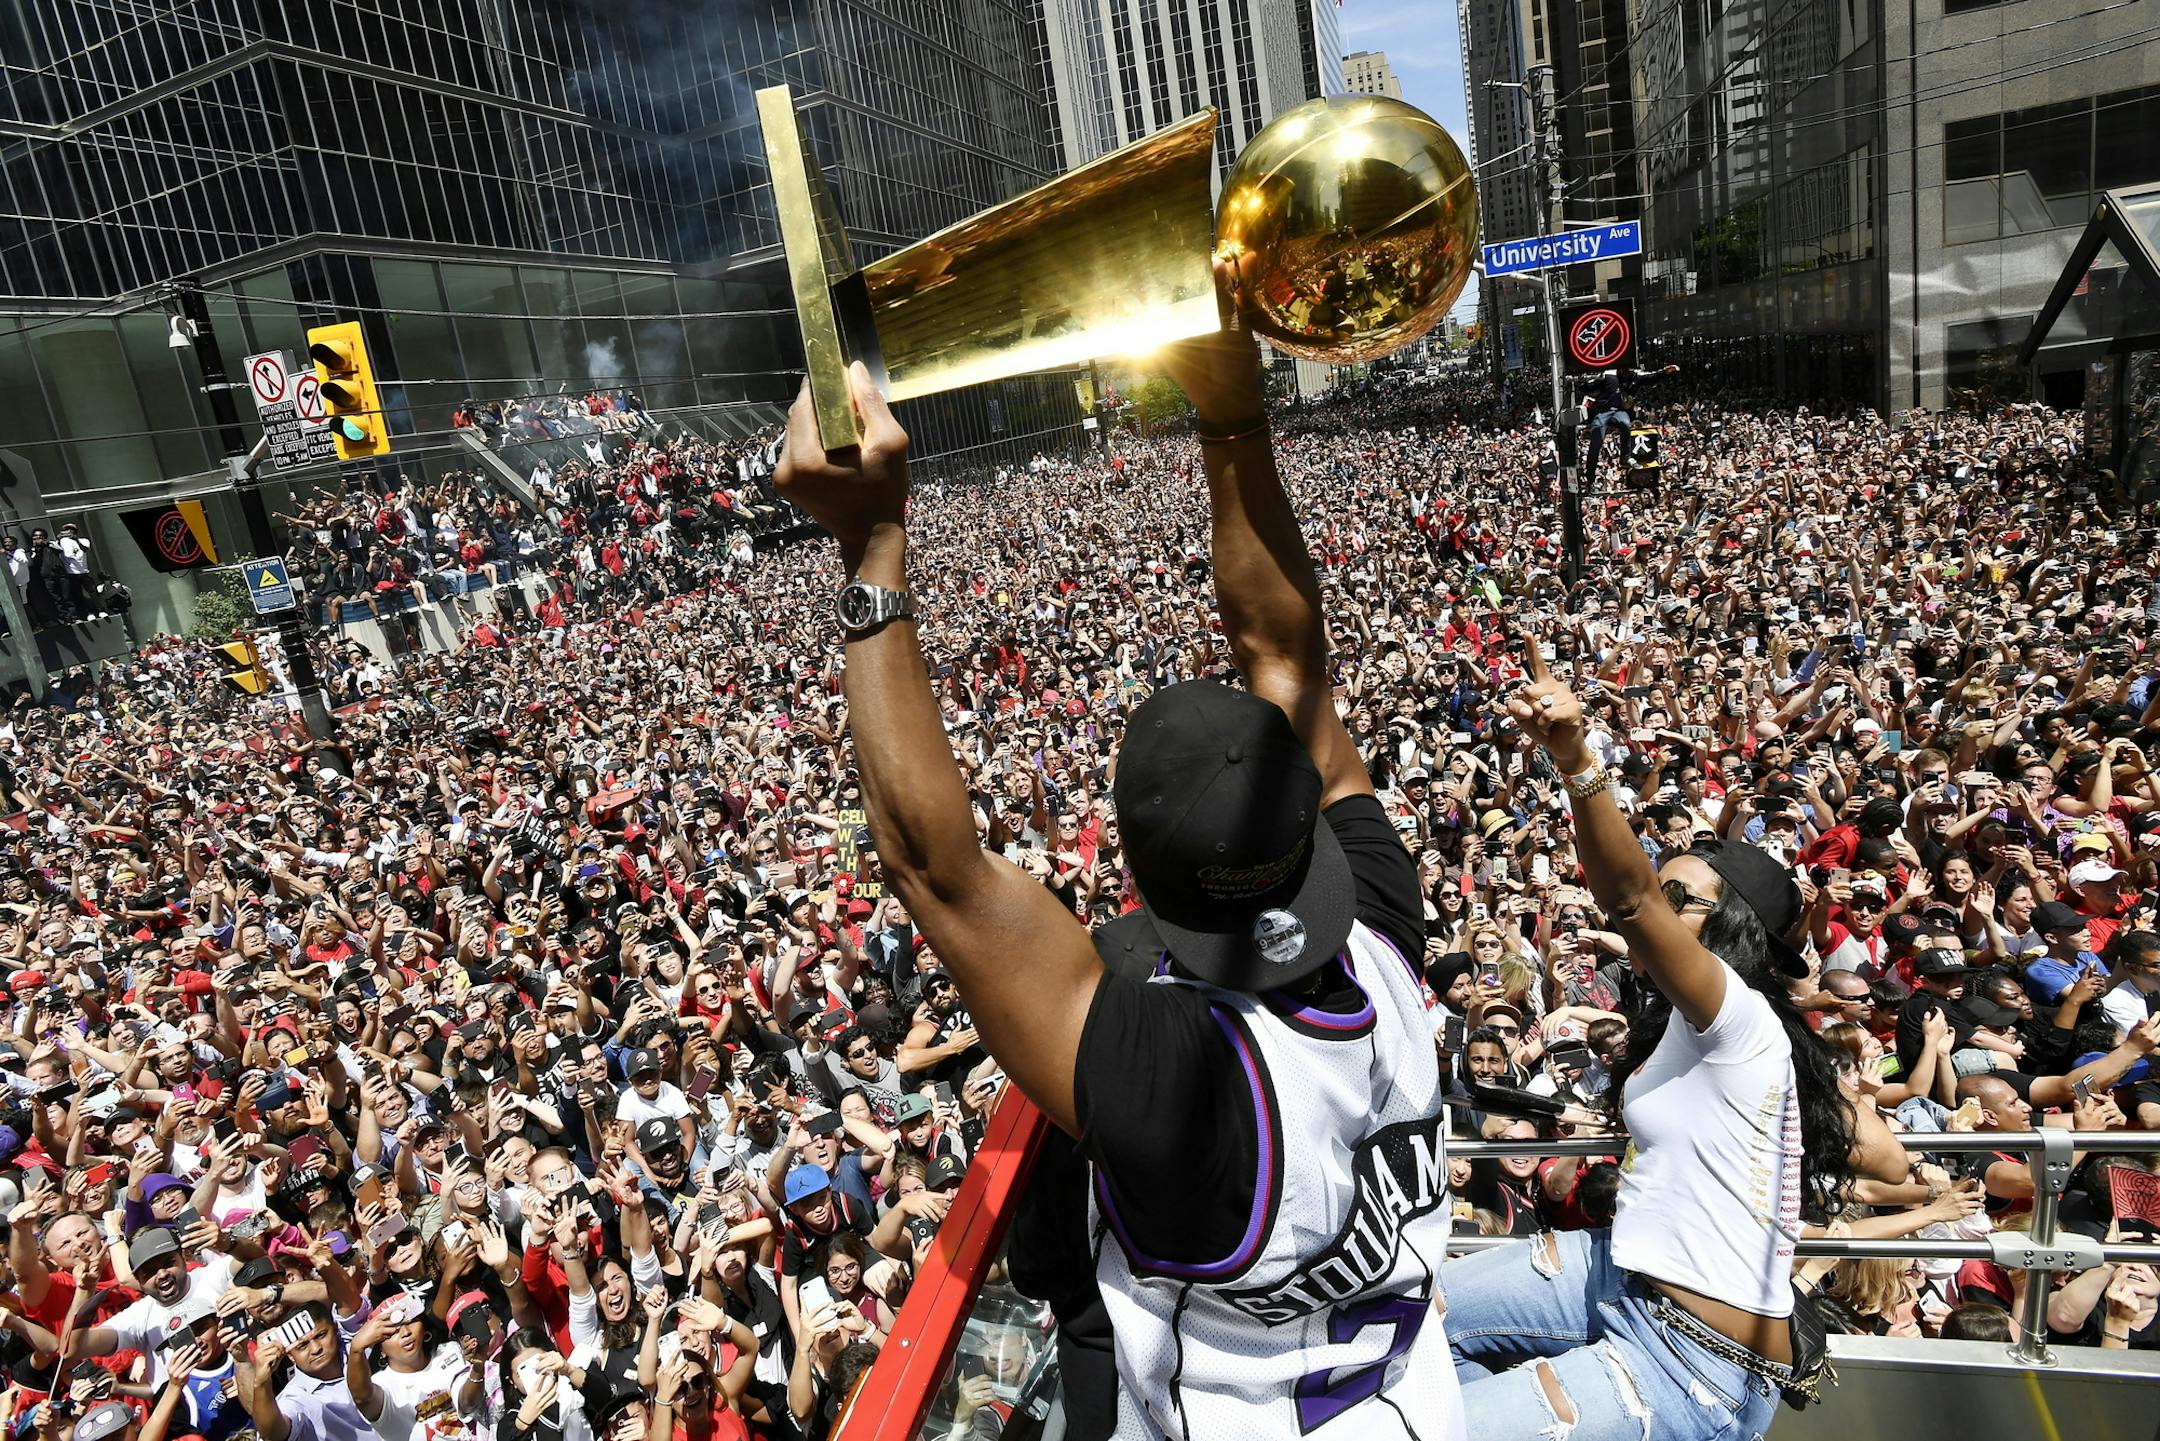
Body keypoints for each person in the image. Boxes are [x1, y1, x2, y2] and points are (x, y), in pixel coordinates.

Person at [772, 339, 1464, 1437]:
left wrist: (874, 540)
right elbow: (1288, 661)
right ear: (1302, 825)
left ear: (1132, 883)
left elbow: (931, 862)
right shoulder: (1382, 924)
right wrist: (1235, 422)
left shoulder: (1178, 1083)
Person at [1440, 639, 1852, 1440]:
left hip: (1689, 1366)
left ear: (1732, 931)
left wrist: (1573, 755)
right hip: (1621, 1275)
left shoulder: (1743, 1020)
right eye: (1665, 891)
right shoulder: (1694, 1028)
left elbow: (1628, 901)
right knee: (1419, 1316)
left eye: (1684, 901)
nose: (1663, 910)